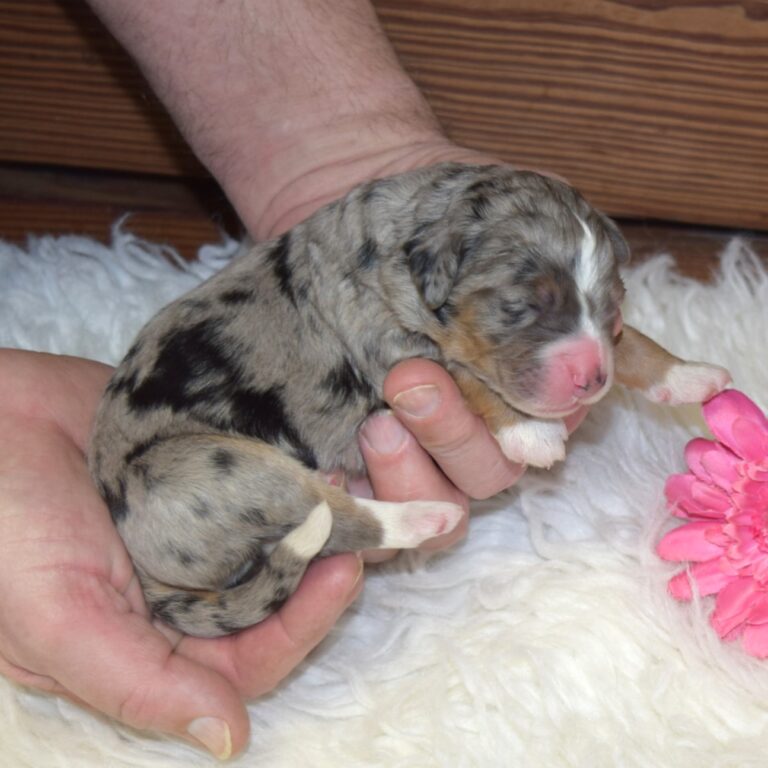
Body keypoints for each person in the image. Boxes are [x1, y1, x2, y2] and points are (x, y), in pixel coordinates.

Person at [0, 0, 587, 758]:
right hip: (183, 493)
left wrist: (342, 152)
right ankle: (356, 522)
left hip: (192, 462)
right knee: (325, 475)